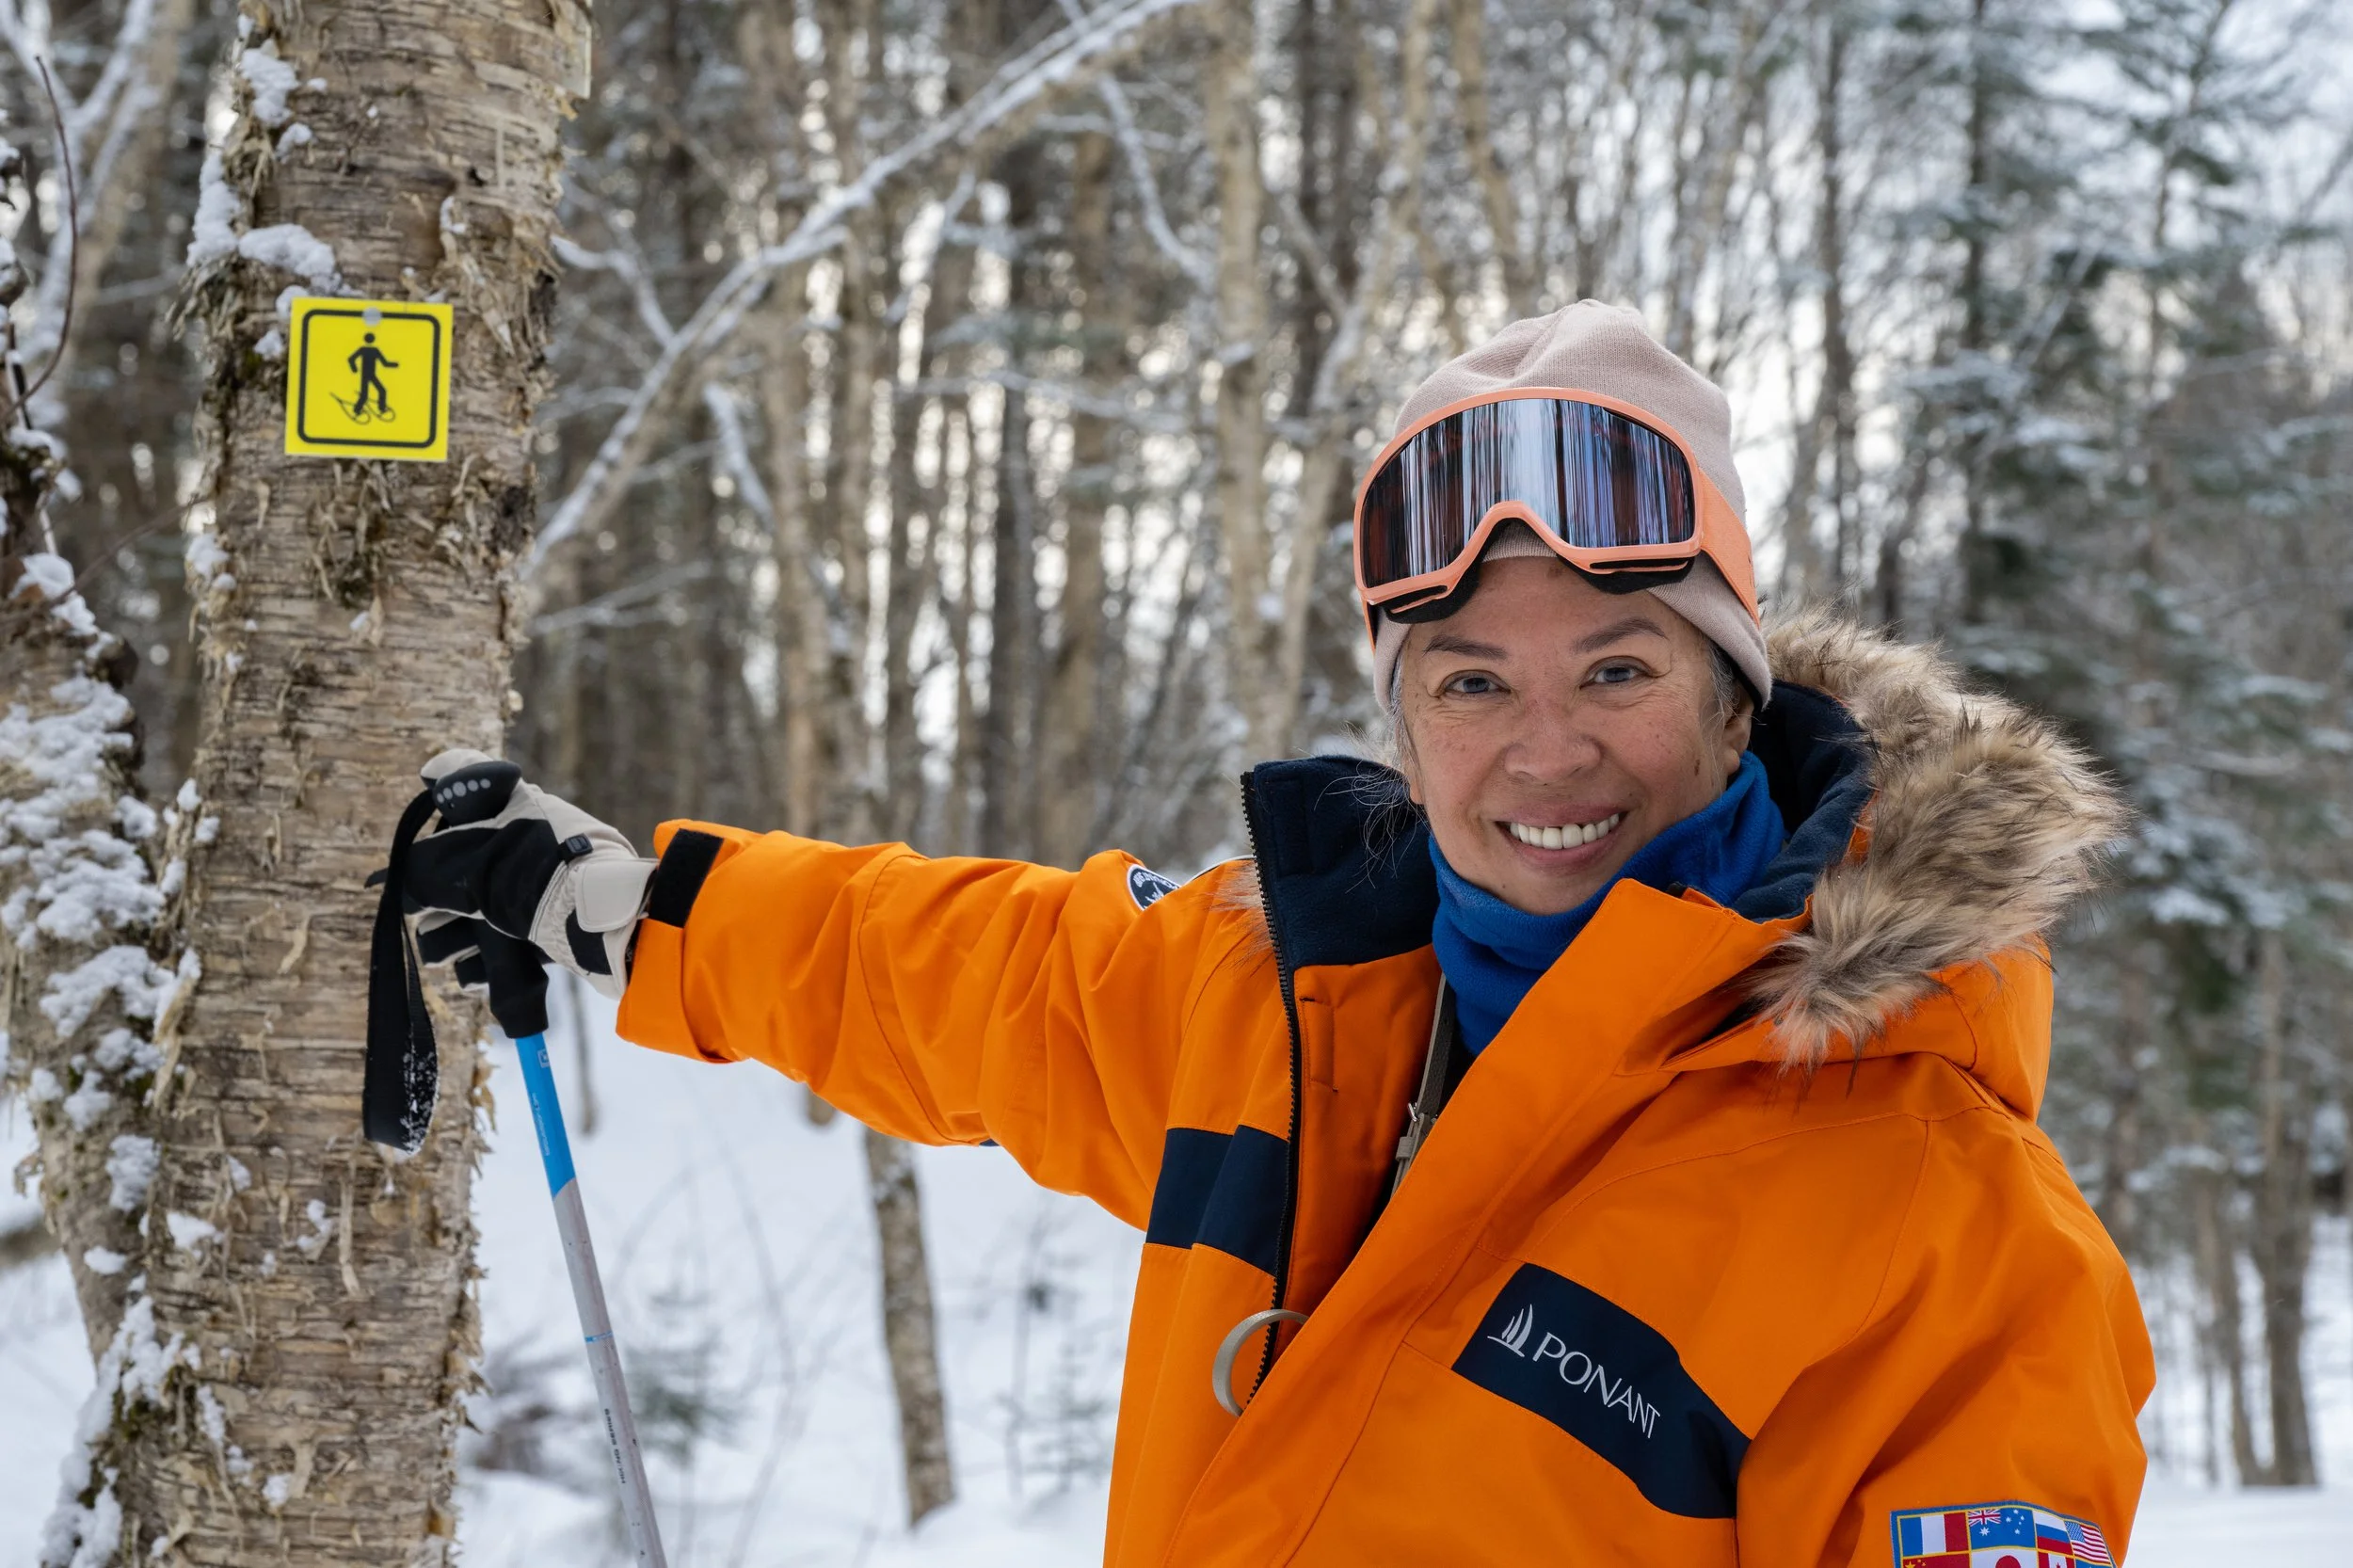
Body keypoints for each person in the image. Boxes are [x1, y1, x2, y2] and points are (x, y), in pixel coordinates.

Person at [401, 303, 2153, 1565]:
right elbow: (950, 972)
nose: (1546, 752)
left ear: (1733, 700)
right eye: (1471, 683)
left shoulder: (1942, 1222)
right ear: (1404, 720)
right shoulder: (1286, 1007)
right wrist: (622, 912)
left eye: (1617, 667)